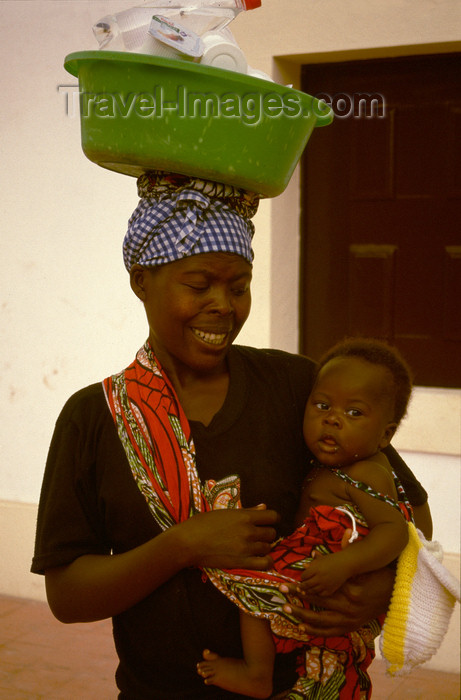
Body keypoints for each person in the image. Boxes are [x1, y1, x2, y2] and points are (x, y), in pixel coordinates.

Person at [31, 171, 432, 699]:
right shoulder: (94, 418)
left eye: (238, 286)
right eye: (198, 285)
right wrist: (183, 545)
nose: (224, 305)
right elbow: (68, 597)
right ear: (140, 280)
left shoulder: (296, 388)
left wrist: (378, 587)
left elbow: (407, 513)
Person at [196, 338, 415, 699]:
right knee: (317, 663)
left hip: (328, 576)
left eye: (354, 413)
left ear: (386, 434)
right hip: (309, 571)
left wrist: (344, 565)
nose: (332, 419)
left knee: (251, 589)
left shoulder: (368, 472)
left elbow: (395, 532)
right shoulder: (324, 461)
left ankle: (257, 674)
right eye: (322, 405)